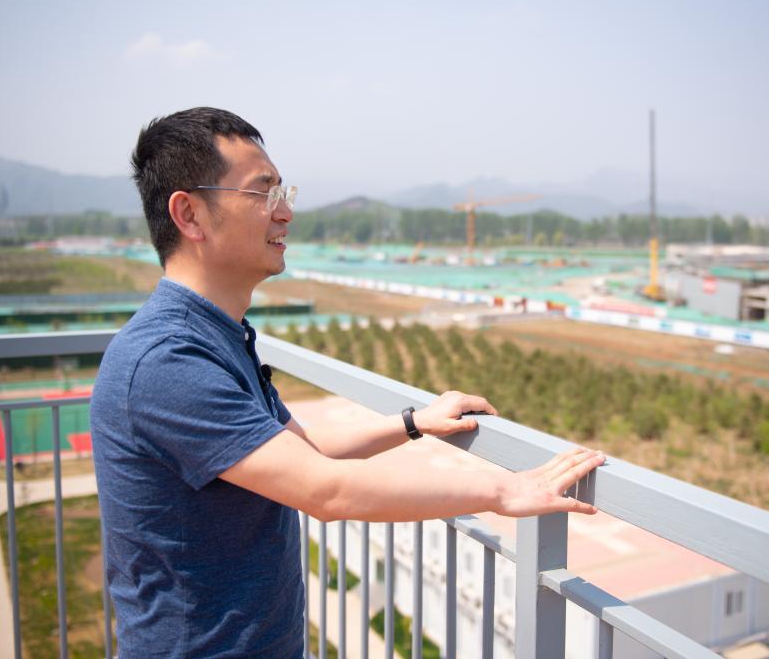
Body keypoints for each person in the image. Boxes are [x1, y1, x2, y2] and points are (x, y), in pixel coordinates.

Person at [90, 107, 605, 658]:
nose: (284, 212)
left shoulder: (218, 335)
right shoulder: (167, 360)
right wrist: (502, 491)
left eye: (283, 191)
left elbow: (300, 448)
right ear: (189, 214)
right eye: (262, 192)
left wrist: (414, 422)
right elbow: (326, 490)